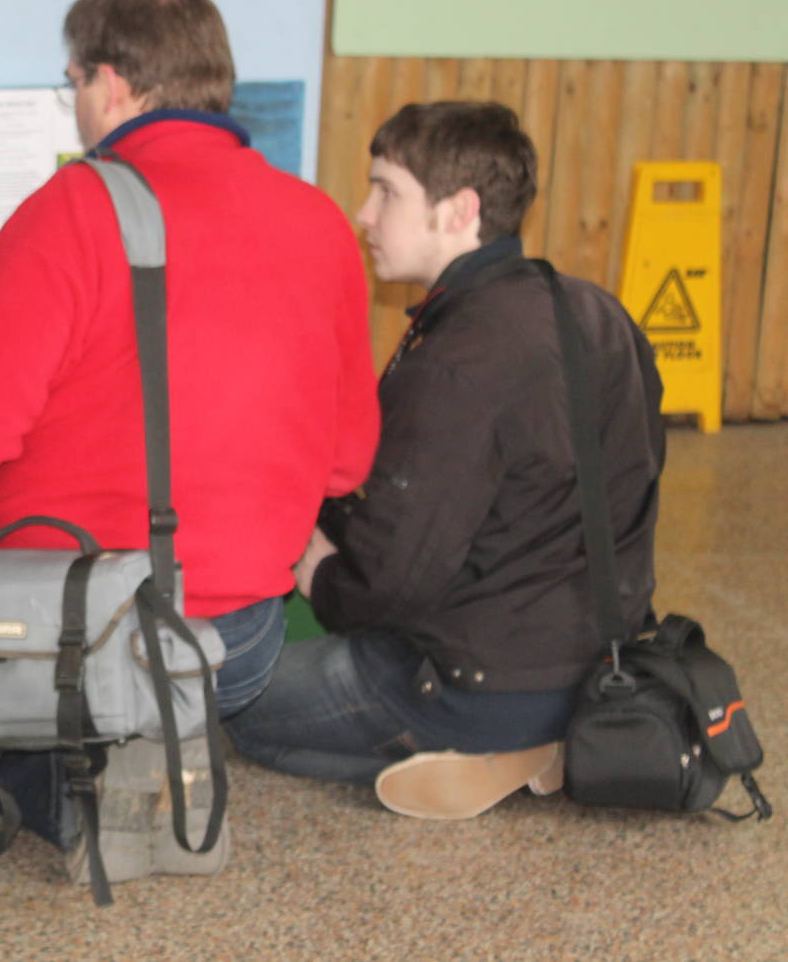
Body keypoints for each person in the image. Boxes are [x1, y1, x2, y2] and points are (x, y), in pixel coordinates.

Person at [0, 0, 380, 881]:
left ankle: (73, 784)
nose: (75, 103)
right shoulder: (317, 221)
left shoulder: (68, 211)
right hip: (238, 643)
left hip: (73, 632)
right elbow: (347, 464)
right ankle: (154, 746)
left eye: (72, 82)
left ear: (110, 82)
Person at [223, 101, 665, 819]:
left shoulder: (462, 357)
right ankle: (536, 741)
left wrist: (318, 569)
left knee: (242, 701)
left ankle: (473, 747)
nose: (364, 214)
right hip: (598, 669)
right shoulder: (597, 311)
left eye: (387, 191)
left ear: (459, 211)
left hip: (473, 683)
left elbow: (386, 585)